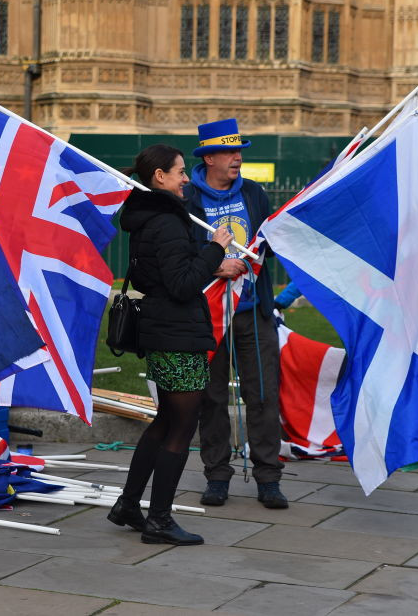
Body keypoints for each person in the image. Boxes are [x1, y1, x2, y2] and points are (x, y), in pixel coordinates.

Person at [106, 143, 234, 546]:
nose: (185, 179)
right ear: (159, 176)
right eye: (179, 172)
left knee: (164, 421)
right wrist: (216, 247)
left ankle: (129, 504)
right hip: (177, 333)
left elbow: (160, 275)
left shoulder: (149, 218)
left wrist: (208, 261)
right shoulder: (166, 222)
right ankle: (159, 519)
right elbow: (181, 284)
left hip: (165, 330)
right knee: (180, 425)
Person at [182, 118, 288, 509]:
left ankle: (268, 478)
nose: (237, 159)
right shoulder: (188, 198)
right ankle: (217, 476)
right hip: (207, 314)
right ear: (209, 157)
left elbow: (268, 246)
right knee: (210, 398)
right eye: (229, 152)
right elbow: (179, 254)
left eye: (239, 151)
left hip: (252, 310)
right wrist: (214, 266)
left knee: (262, 395)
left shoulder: (255, 194)